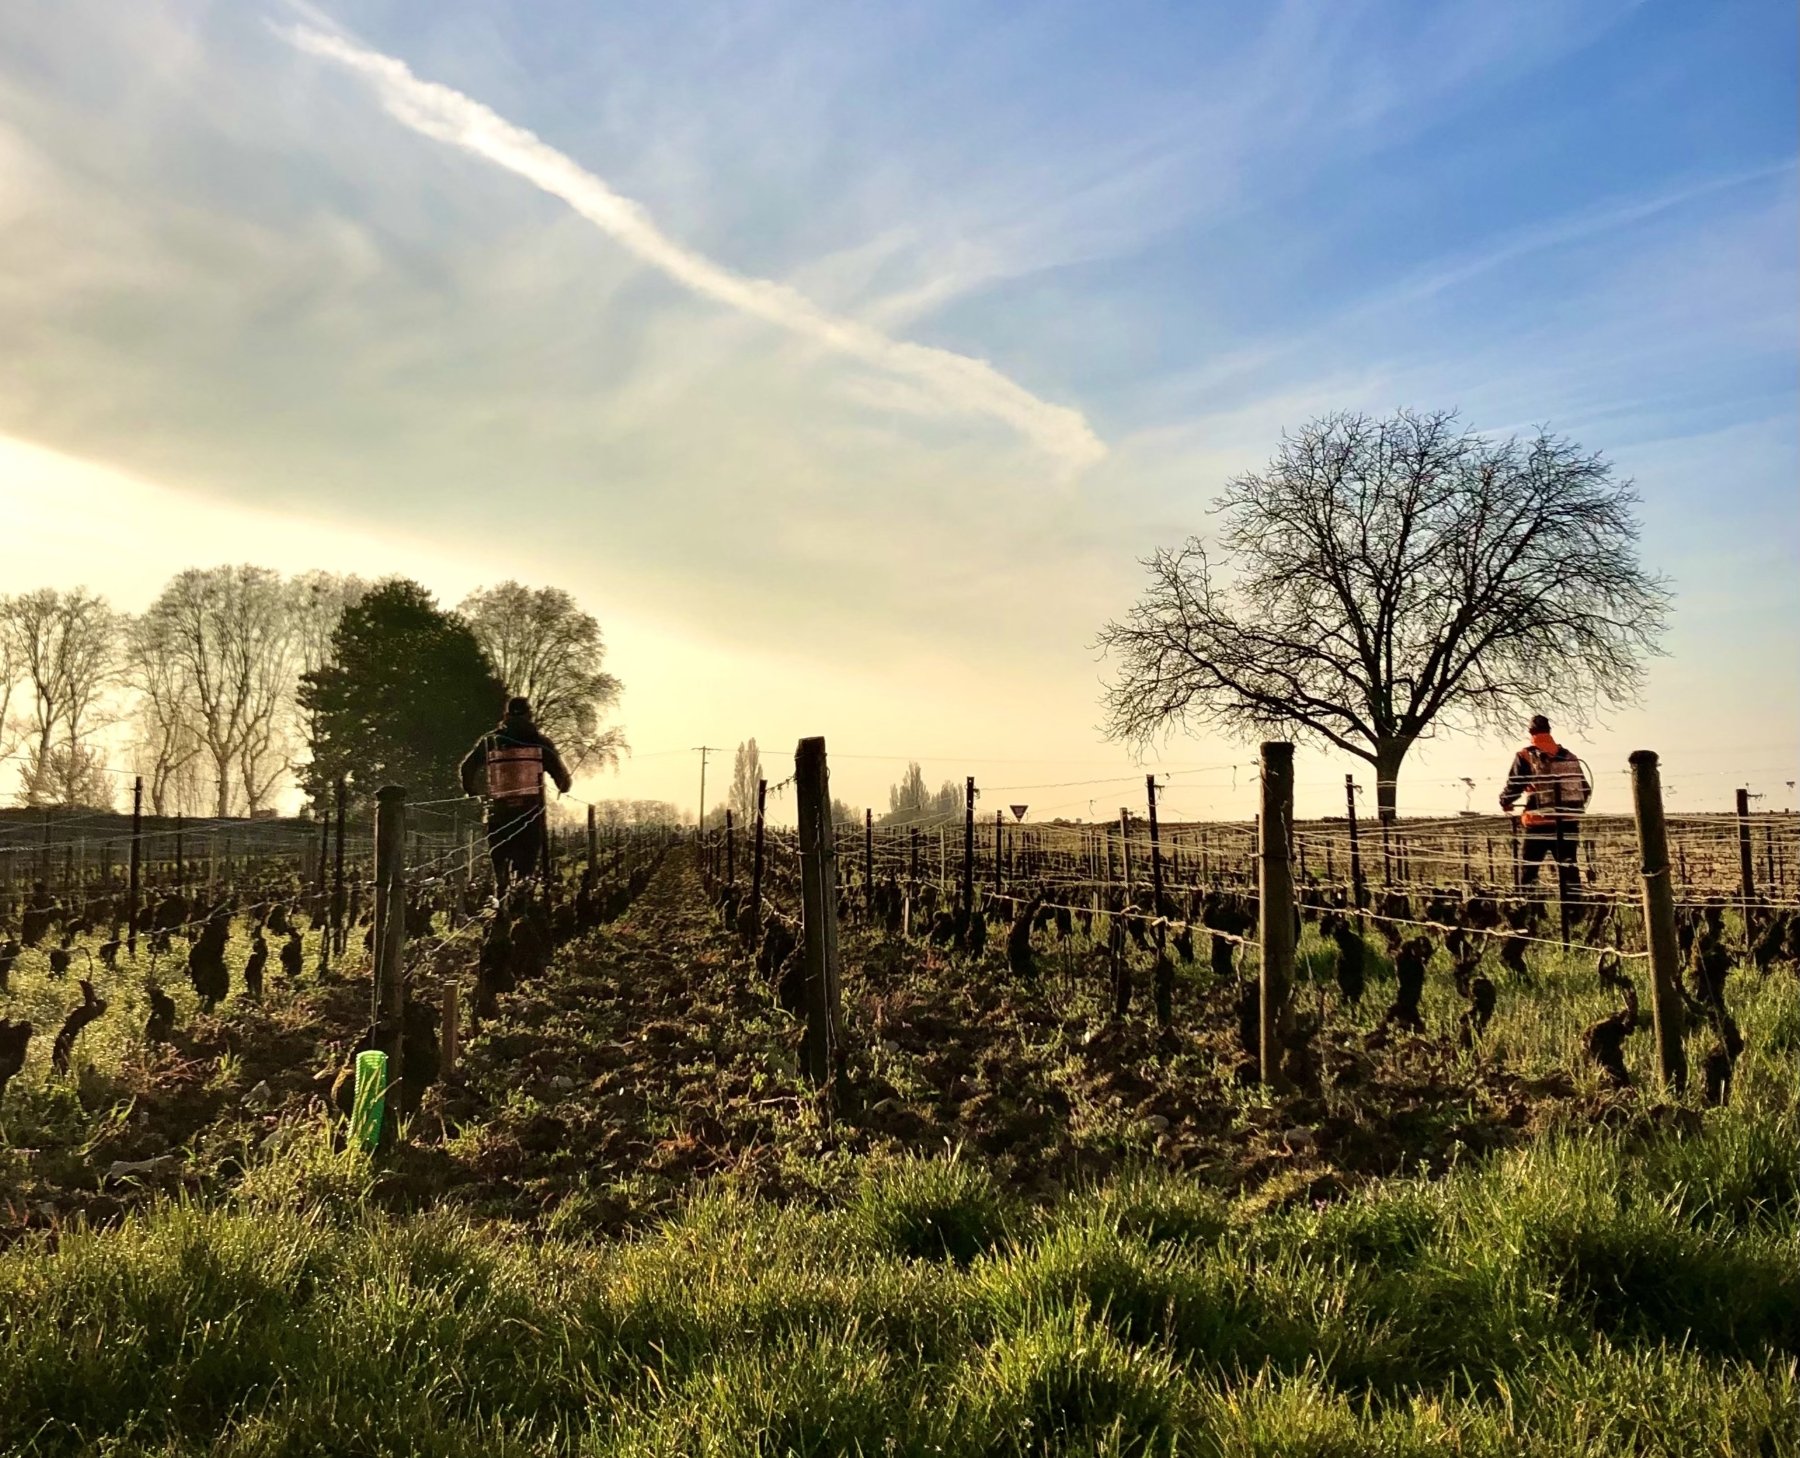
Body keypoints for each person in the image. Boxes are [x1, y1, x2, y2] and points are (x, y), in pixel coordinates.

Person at [459, 697, 573, 892]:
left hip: (498, 813)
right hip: (530, 814)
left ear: (506, 716)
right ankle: (522, 896)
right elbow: (562, 778)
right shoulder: (540, 742)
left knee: (500, 859)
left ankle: (502, 893)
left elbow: (466, 768)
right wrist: (563, 785)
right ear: (530, 715)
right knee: (526, 866)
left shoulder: (491, 741)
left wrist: (474, 792)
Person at [1498, 714, 1590, 905]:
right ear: (1549, 730)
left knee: (1529, 870)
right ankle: (1575, 911)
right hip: (1567, 823)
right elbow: (1585, 790)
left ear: (1530, 732)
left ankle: (1527, 910)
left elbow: (1515, 785)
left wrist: (1505, 801)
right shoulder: (1569, 756)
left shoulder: (1525, 755)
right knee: (1569, 868)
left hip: (1538, 824)